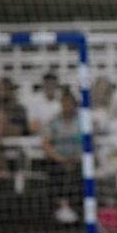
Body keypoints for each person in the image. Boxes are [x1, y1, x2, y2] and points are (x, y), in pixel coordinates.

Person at [42, 90, 82, 224]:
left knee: (78, 173)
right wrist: (59, 158)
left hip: (77, 160)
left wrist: (77, 157)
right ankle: (60, 207)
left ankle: (76, 208)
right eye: (64, 103)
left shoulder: (81, 122)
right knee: (56, 172)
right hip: (57, 160)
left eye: (69, 103)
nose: (66, 105)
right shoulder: (54, 122)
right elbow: (46, 144)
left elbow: (89, 143)